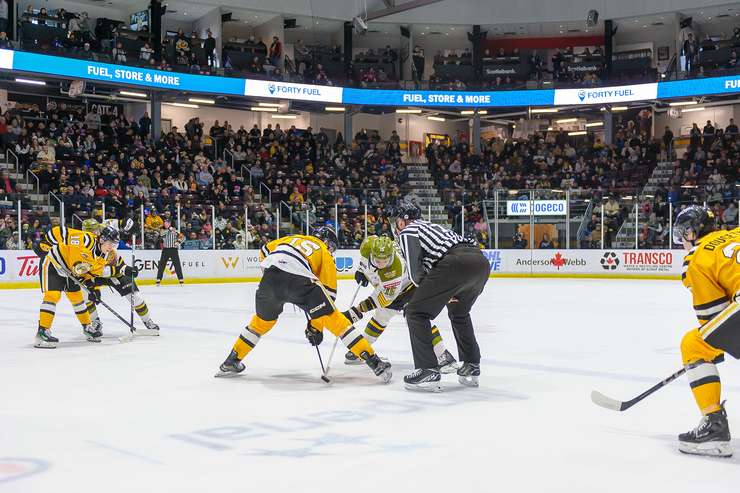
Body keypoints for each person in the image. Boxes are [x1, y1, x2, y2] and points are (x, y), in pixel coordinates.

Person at [216, 227, 392, 383]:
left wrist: (275, 277)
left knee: (261, 322)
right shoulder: (323, 251)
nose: (331, 250)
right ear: (327, 242)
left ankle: (231, 360)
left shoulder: (291, 238)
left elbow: (263, 252)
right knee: (337, 321)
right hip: (299, 281)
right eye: (332, 247)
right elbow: (329, 295)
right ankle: (374, 362)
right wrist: (315, 327)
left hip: (269, 279)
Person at [391, 202, 489, 391]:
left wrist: (429, 296)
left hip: (454, 264)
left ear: (402, 221)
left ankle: (428, 369)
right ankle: (471, 364)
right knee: (459, 313)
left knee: (415, 312)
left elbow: (416, 274)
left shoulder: (408, 231)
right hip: (479, 262)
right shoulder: (432, 226)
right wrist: (444, 293)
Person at [673, 206, 740, 457]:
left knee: (694, 345)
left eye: (682, 234)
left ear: (691, 232)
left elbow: (713, 318)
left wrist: (710, 352)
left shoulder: (697, 257)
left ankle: (714, 428)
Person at [342, 235, 458, 372]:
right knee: (381, 316)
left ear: (390, 255)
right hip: (391, 287)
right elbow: (364, 260)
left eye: (384, 260)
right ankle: (361, 351)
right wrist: (361, 271)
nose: (381, 264)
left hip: (410, 287)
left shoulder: (394, 269)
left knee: (418, 318)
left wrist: (357, 311)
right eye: (377, 260)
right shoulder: (368, 246)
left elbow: (384, 299)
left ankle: (443, 354)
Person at [32, 224, 122, 348]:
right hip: (53, 263)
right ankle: (42, 332)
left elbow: (90, 273)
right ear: (102, 239)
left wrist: (92, 288)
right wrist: (45, 243)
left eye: (114, 244)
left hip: (70, 271)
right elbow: (61, 231)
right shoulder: (86, 239)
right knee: (53, 295)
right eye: (110, 243)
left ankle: (87, 327)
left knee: (77, 298)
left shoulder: (104, 255)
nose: (112, 247)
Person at [81, 219, 159, 335]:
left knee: (135, 297)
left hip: (115, 271)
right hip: (95, 274)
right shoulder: (83, 247)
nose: (94, 233)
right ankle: (94, 322)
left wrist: (128, 226)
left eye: (95, 230)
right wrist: (93, 288)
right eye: (90, 231)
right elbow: (91, 271)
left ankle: (148, 321)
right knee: (86, 294)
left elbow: (118, 223)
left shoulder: (106, 235)